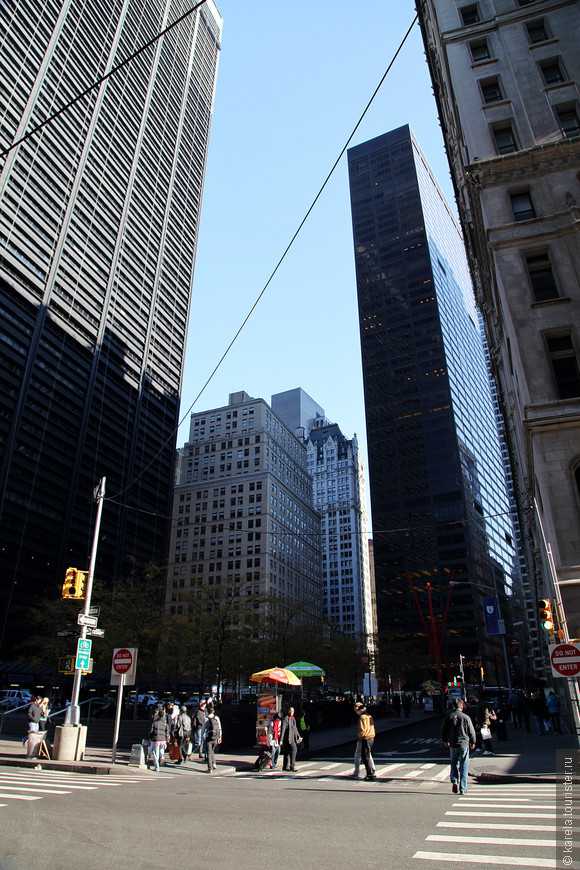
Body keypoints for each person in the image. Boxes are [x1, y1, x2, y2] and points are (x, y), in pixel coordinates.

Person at [441, 698, 476, 795]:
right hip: (464, 744)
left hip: (453, 744)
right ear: (461, 706)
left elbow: (444, 730)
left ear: (453, 706)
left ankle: (454, 780)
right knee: (464, 765)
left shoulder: (449, 716)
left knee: (453, 763)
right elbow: (471, 731)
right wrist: (473, 741)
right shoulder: (466, 717)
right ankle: (463, 788)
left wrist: (445, 740)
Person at [353, 702, 376, 781]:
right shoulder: (369, 716)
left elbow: (362, 730)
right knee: (368, 754)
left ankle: (362, 773)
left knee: (360, 755)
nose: (356, 712)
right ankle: (372, 770)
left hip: (365, 738)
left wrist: (360, 737)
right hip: (371, 737)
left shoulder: (362, 717)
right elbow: (372, 726)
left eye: (356, 710)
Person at [280, 706, 302, 772]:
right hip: (288, 739)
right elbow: (283, 729)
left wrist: (299, 736)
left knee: (286, 752)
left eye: (293, 711)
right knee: (294, 750)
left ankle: (285, 767)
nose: (292, 712)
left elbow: (295, 728)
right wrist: (281, 740)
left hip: (292, 738)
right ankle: (292, 767)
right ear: (288, 711)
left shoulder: (293, 718)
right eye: (291, 711)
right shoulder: (286, 718)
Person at [149, 708, 170, 772]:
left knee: (156, 754)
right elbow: (167, 733)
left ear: (158, 715)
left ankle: (157, 767)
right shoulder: (165, 723)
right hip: (163, 740)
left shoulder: (155, 723)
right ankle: (162, 760)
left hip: (156, 740)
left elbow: (151, 732)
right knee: (161, 752)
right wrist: (167, 739)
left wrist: (150, 738)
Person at [202, 704, 222, 773]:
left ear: (208, 711)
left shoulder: (206, 718)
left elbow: (203, 729)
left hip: (209, 738)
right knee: (212, 751)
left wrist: (202, 737)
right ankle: (214, 764)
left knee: (209, 753)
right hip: (216, 737)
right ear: (213, 711)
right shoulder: (217, 718)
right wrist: (220, 737)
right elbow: (219, 728)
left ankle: (210, 768)